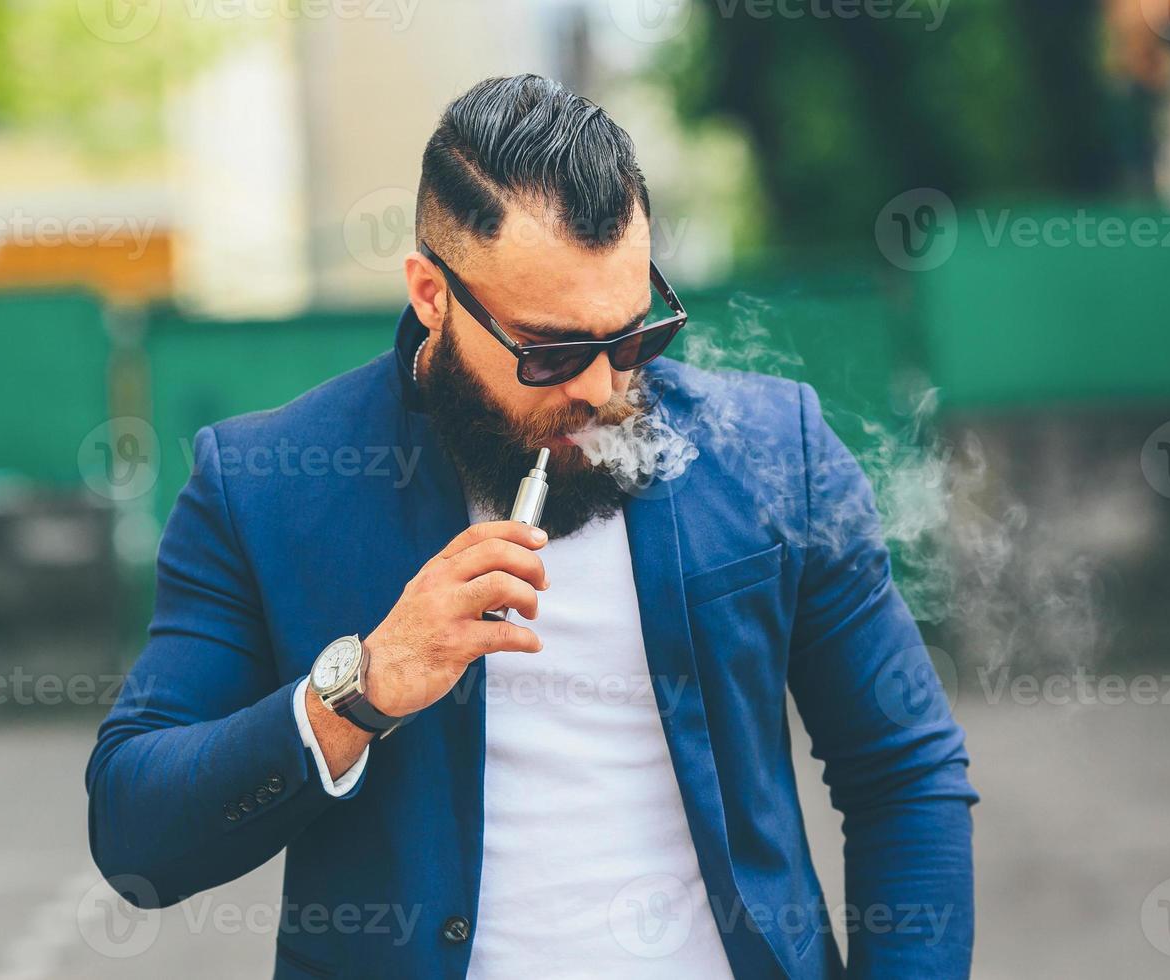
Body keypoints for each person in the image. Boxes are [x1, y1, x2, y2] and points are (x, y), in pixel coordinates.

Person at [86, 74, 978, 979]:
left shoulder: (774, 448)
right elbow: (137, 838)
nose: (599, 389)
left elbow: (905, 773)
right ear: (431, 294)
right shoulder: (264, 486)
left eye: (632, 338)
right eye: (550, 351)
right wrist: (364, 687)